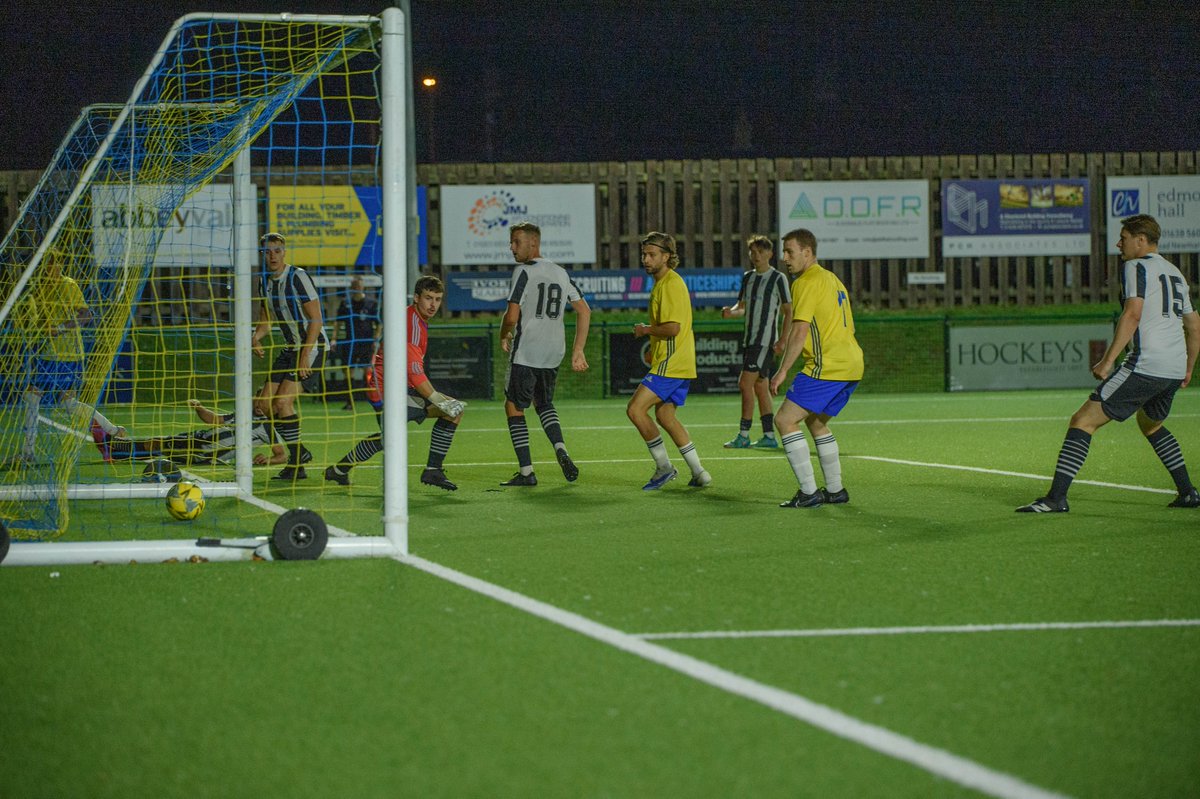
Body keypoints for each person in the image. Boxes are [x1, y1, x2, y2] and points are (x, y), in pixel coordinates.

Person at [1017, 214, 1200, 512]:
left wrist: (1107, 361)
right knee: (1151, 425)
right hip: (1172, 368)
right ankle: (1188, 492)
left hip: (1147, 365)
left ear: (1141, 240)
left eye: (1124, 237)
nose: (1119, 244)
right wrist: (1189, 367)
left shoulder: (1136, 266)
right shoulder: (1175, 273)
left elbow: (1132, 314)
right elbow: (1194, 326)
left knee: (1082, 421)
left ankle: (1055, 499)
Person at [324, 275, 464, 490]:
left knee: (387, 437)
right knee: (451, 411)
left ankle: (338, 470)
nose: (433, 304)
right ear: (416, 298)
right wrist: (438, 399)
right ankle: (433, 471)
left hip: (387, 387)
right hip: (387, 390)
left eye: (437, 299)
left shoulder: (412, 317)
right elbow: (416, 375)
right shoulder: (414, 327)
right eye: (428, 298)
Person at [769, 228, 864, 508]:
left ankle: (809, 493)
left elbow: (799, 331)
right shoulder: (832, 279)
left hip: (829, 366)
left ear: (807, 253)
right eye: (784, 252)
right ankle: (835, 490)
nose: (784, 257)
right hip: (853, 364)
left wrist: (782, 370)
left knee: (785, 421)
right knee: (816, 421)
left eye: (790, 252)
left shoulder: (805, 282)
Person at [497, 221, 591, 486]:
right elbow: (585, 311)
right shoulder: (561, 272)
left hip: (527, 349)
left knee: (514, 407)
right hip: (554, 351)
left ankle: (527, 472)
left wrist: (504, 333)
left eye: (517, 242)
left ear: (533, 243)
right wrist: (578, 350)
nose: (512, 247)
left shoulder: (523, 271)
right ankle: (560, 447)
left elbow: (512, 315)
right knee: (544, 403)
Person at [14, 251, 127, 466]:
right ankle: (113, 430)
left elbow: (85, 315)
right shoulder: (39, 289)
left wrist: (58, 328)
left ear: (60, 265)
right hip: (48, 354)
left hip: (68, 354)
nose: (49, 269)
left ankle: (28, 453)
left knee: (39, 398)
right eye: (45, 265)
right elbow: (41, 322)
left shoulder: (68, 285)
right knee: (64, 403)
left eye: (53, 264)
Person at [626, 231, 710, 490]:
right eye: (644, 254)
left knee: (635, 410)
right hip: (677, 361)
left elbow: (673, 328)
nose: (646, 259)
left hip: (671, 363)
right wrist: (654, 346)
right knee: (665, 416)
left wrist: (645, 330)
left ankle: (664, 467)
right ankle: (699, 472)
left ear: (667, 256)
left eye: (652, 255)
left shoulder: (671, 283)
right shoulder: (663, 283)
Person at [251, 232, 328, 481]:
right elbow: (265, 322)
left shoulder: (298, 277)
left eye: (276, 250)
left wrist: (305, 355)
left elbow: (316, 320)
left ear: (284, 252)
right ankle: (300, 454)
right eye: (267, 251)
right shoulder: (264, 282)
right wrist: (256, 337)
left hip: (312, 346)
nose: (272, 255)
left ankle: (296, 462)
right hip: (290, 348)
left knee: (283, 403)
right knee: (263, 406)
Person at [721, 234, 792, 449]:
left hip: (764, 341)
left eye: (760, 252)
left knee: (745, 383)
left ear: (770, 254)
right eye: (753, 252)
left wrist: (782, 340)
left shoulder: (778, 278)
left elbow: (789, 311)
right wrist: (730, 313)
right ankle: (769, 436)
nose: (756, 256)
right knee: (760, 386)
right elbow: (741, 307)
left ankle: (743, 434)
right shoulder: (748, 277)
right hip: (749, 340)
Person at [91, 399, 287, 466]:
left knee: (161, 445)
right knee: (161, 443)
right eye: (260, 398)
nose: (261, 403)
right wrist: (199, 407)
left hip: (208, 451)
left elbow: (282, 455)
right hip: (201, 438)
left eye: (266, 400)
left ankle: (113, 447)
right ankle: (116, 451)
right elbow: (214, 419)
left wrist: (267, 460)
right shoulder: (244, 414)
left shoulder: (267, 426)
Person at [334, 275, 379, 410]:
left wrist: (376, 339)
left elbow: (379, 324)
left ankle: (373, 399)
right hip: (350, 342)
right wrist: (334, 338)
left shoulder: (371, 303)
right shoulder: (346, 303)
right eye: (355, 287)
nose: (357, 289)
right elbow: (338, 322)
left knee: (368, 372)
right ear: (351, 289)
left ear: (363, 287)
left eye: (359, 286)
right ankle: (350, 402)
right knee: (348, 371)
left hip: (366, 342)